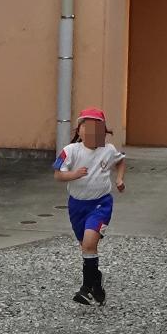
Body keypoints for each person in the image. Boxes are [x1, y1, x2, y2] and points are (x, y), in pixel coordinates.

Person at [53, 108, 125, 306]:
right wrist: (74, 174)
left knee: (89, 243)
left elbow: (120, 161)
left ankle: (86, 289)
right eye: (86, 126)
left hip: (100, 204)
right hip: (77, 205)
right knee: (86, 248)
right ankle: (96, 282)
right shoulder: (70, 151)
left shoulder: (108, 150)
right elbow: (58, 174)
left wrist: (119, 179)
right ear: (79, 130)